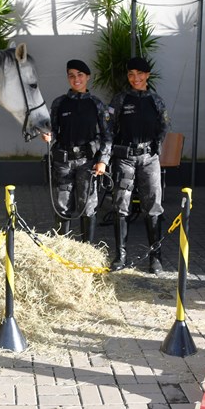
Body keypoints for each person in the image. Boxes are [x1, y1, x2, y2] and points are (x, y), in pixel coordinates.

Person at [108, 56, 170, 276]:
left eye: (140, 74)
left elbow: (163, 127)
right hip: (124, 158)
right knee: (121, 206)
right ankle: (121, 256)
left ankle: (156, 259)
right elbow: (109, 128)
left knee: (153, 206)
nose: (135, 78)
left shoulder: (156, 100)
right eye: (131, 74)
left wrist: (154, 150)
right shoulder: (120, 100)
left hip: (149, 159)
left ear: (147, 76)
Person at [42, 59, 112, 243]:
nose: (76, 79)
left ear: (87, 77)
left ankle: (86, 249)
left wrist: (103, 161)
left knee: (87, 207)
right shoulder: (59, 103)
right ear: (68, 78)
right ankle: (61, 249)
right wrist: (48, 135)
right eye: (71, 76)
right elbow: (53, 130)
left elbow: (107, 136)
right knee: (62, 206)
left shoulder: (96, 105)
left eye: (80, 75)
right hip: (63, 163)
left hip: (87, 163)